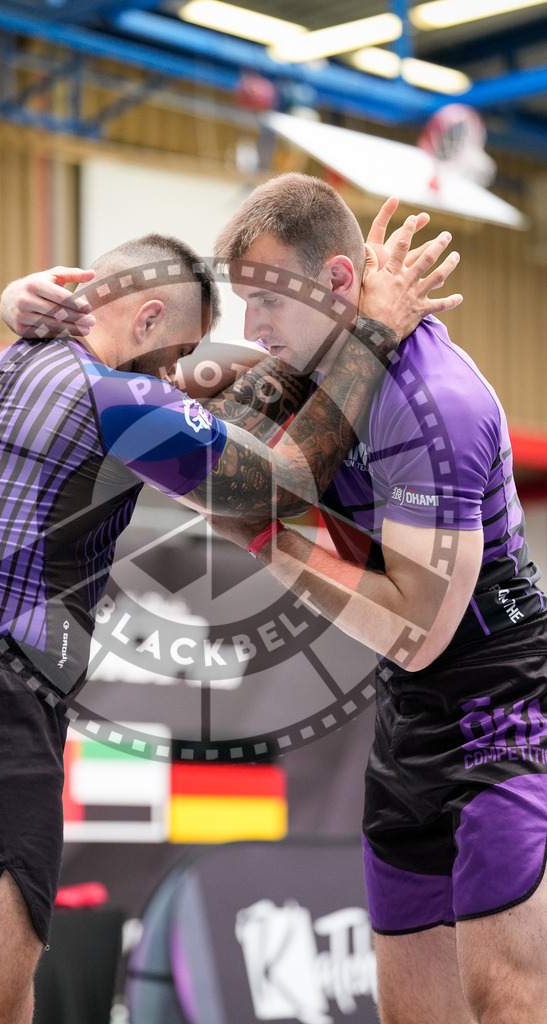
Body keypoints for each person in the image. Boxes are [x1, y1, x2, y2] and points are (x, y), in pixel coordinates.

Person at [0, 216, 459, 1024]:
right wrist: (376, 336)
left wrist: (17, 297)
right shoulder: (116, 397)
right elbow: (279, 485)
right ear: (145, 321)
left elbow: (55, 317)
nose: (177, 381)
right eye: (175, 357)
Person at [194, 175, 546, 1024]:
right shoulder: (314, 374)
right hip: (408, 714)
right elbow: (195, 407)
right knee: (410, 1011)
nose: (252, 327)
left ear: (341, 283)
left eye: (267, 299)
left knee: (505, 997)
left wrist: (271, 536)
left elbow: (420, 631)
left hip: (498, 702)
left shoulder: (440, 405)